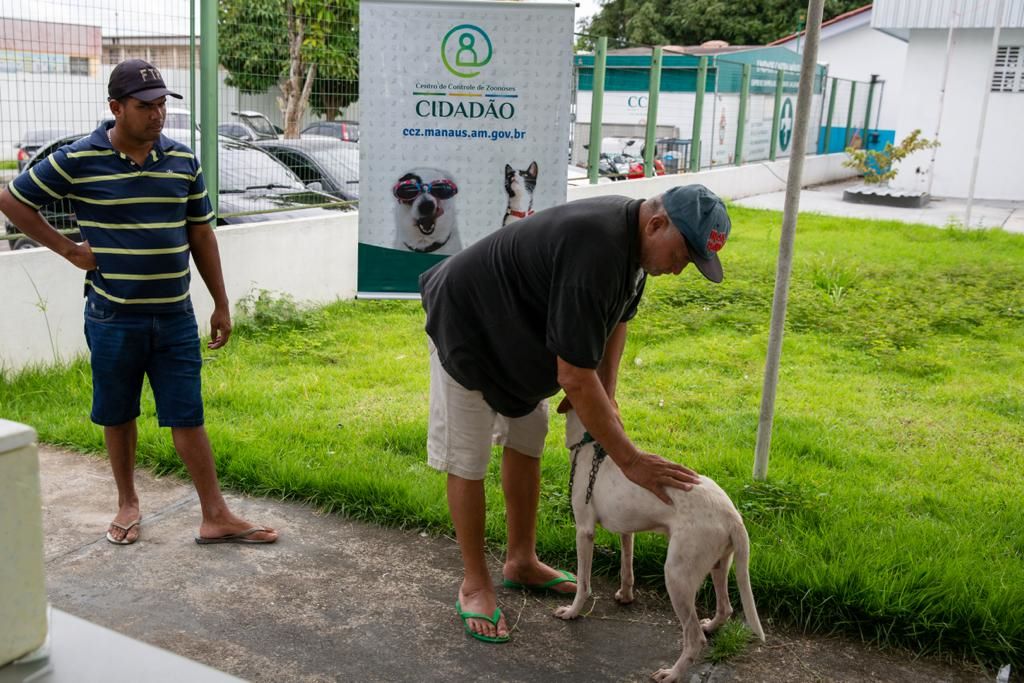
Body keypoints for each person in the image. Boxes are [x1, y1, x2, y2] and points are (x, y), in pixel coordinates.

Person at [419, 184, 731, 643]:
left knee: (528, 437)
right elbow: (573, 375)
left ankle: (521, 561)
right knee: (468, 459)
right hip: (469, 326)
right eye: (683, 255)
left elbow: (619, 319)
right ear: (657, 224)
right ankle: (475, 583)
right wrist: (631, 460)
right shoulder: (597, 247)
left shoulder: (636, 251)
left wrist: (608, 390)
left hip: (520, 338)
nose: (681, 269)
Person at [0, 59, 277, 546]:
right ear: (116, 107)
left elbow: (201, 233)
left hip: (174, 313)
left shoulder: (182, 160)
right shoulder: (78, 159)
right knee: (118, 411)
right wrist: (68, 249)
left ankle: (215, 515)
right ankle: (128, 502)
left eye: (162, 104)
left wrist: (220, 302)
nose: (157, 115)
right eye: (145, 106)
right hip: (113, 314)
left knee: (187, 413)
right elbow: (12, 199)